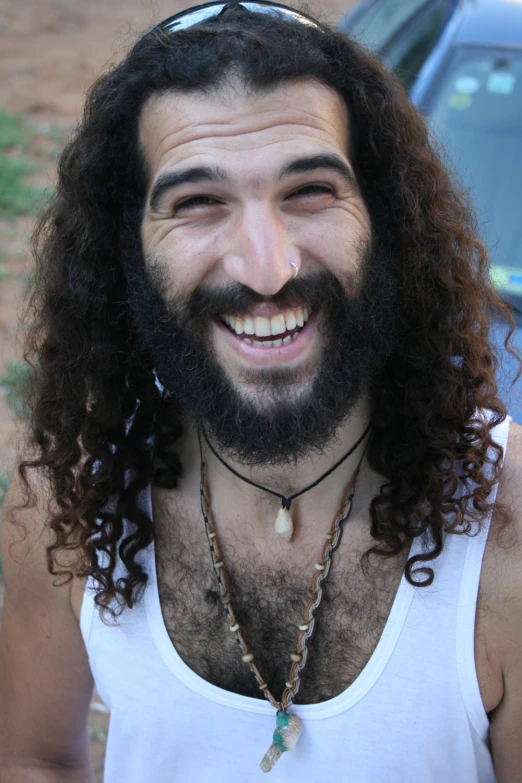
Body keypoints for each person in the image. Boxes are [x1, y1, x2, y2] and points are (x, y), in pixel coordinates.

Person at [1, 1, 521, 780]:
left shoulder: (509, 522)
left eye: (309, 190)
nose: (267, 269)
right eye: (198, 202)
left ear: (385, 220)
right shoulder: (72, 490)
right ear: (128, 249)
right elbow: (33, 756)